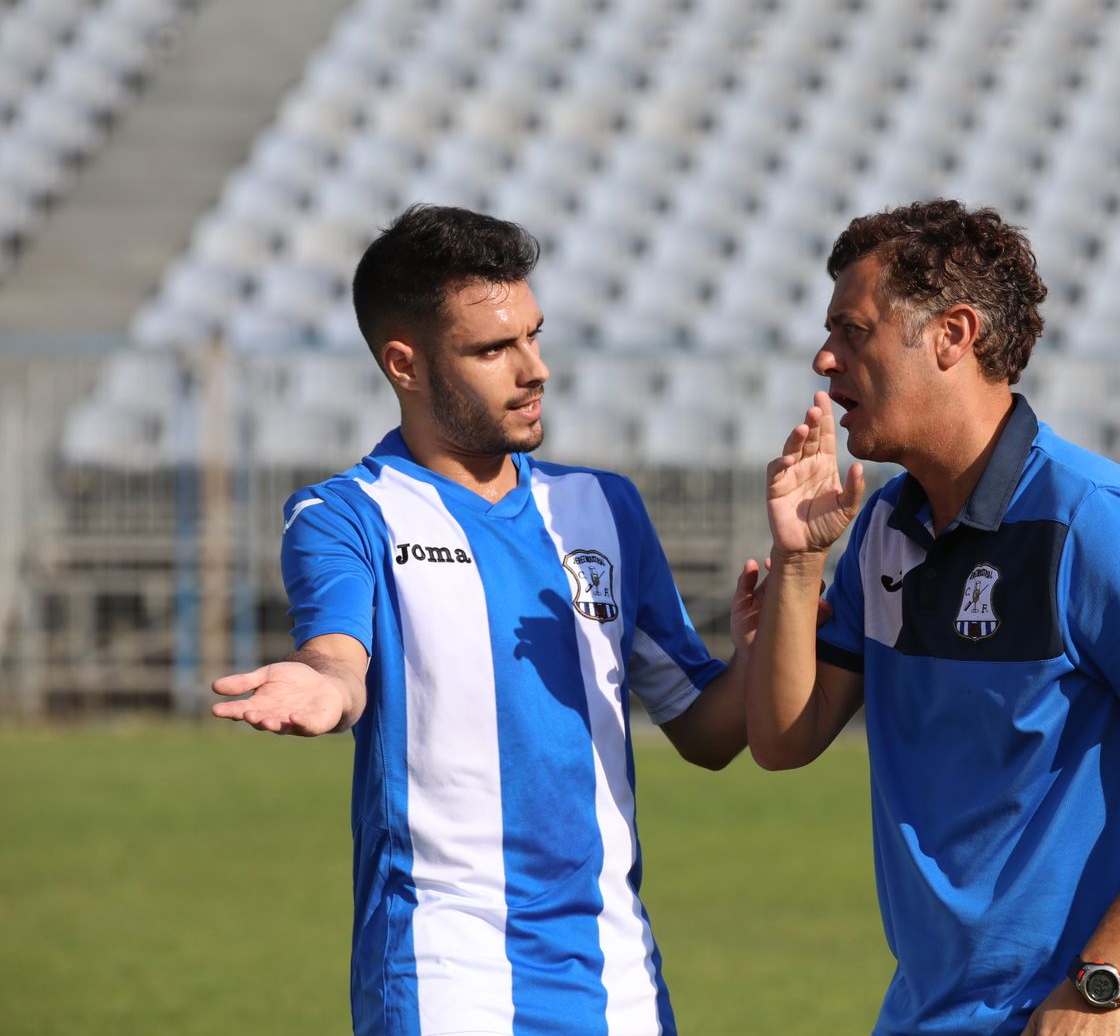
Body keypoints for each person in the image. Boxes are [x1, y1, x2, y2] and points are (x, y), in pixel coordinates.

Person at [212, 204, 753, 1036]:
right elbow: (338, 656)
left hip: (618, 978)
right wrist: (324, 685)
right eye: (494, 349)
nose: (533, 369)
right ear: (406, 364)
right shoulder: (345, 516)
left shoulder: (602, 508)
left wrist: (777, 620)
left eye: (535, 336)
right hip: (444, 975)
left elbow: (708, 733)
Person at [746, 200, 1120, 1036]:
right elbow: (783, 741)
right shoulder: (884, 526)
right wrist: (799, 567)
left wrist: (1100, 983)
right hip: (930, 1014)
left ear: (952, 335)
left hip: (1092, 1018)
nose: (825, 358)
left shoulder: (1089, 519)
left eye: (853, 330)